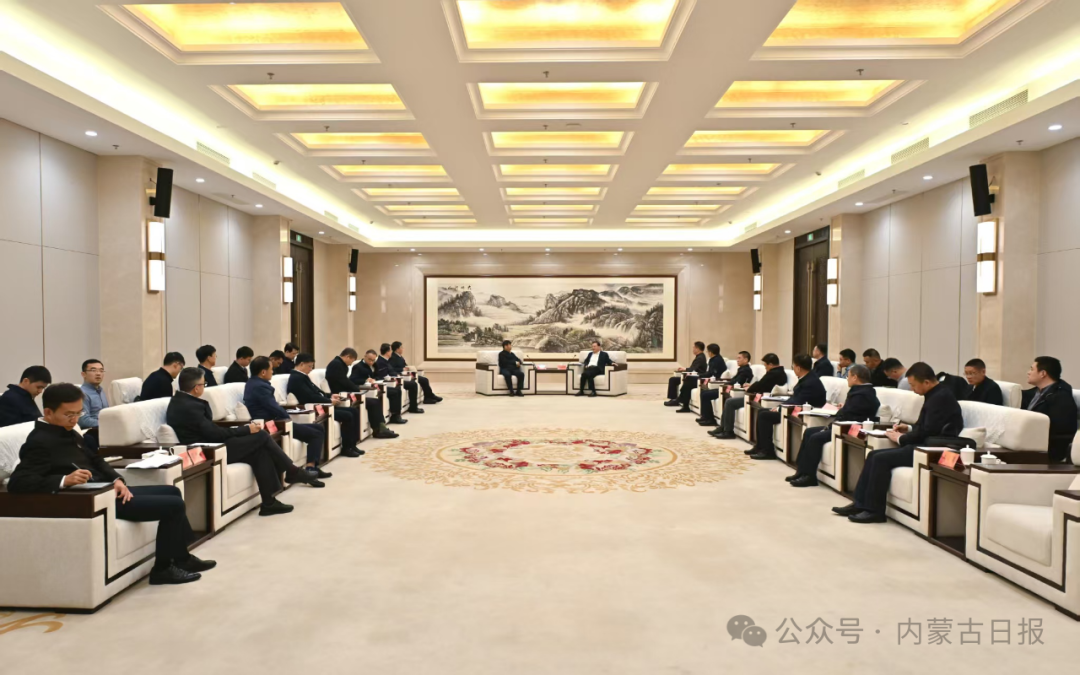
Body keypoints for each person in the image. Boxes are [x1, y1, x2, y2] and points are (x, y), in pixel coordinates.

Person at [9, 382, 215, 584]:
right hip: (94, 501)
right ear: (48, 412)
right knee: (173, 505)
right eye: (69, 414)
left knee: (172, 492)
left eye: (78, 413)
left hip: (107, 490)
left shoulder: (67, 431)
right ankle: (163, 569)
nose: (75, 419)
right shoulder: (39, 442)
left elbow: (95, 459)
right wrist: (64, 480)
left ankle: (182, 558)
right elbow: (18, 482)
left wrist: (117, 480)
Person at [168, 367, 321, 516]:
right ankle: (292, 471)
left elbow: (210, 430)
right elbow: (214, 434)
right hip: (210, 450)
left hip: (213, 444)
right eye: (204, 384)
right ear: (196, 388)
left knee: (260, 452)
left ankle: (269, 503)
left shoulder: (180, 401)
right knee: (261, 436)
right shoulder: (189, 407)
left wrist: (241, 430)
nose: (204, 387)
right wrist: (246, 430)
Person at [833, 362, 964, 524]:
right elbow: (927, 426)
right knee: (873, 455)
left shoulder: (940, 398)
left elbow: (928, 432)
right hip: (924, 443)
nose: (912, 389)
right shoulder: (935, 394)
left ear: (926, 382)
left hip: (929, 449)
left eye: (913, 385)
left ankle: (874, 511)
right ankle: (860, 504)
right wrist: (908, 428)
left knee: (880, 459)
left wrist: (901, 438)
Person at [788, 365, 880, 487]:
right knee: (809, 432)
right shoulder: (861, 391)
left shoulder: (863, 394)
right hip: (841, 424)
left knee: (815, 438)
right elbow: (851, 410)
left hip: (847, 428)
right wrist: (843, 408)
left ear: (855, 377)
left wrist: (837, 418)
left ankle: (809, 476)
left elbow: (850, 415)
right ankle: (801, 471)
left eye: (848, 376)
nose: (847, 379)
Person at [244, 356, 329, 480]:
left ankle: (313, 466)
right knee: (315, 433)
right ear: (263, 372)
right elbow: (273, 407)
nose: (273, 371)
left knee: (318, 428)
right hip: (273, 424)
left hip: (275, 420)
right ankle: (310, 469)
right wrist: (287, 418)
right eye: (271, 369)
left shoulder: (255, 383)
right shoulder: (260, 387)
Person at [748, 353, 827, 460]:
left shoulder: (810, 382)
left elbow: (798, 401)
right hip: (794, 409)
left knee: (764, 416)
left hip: (803, 412)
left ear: (798, 368)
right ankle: (760, 446)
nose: (793, 368)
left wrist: (780, 408)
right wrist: (780, 406)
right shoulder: (807, 377)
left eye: (793, 366)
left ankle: (767, 451)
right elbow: (795, 398)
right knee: (762, 411)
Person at [288, 353, 363, 457]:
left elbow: (318, 392)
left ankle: (352, 445)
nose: (311, 369)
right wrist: (329, 401)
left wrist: (331, 395)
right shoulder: (296, 378)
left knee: (353, 411)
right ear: (301, 364)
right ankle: (346, 448)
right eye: (309, 366)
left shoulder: (302, 376)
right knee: (348, 415)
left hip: (322, 403)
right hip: (316, 407)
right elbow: (310, 397)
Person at [710, 354, 788, 440]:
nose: (765, 367)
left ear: (771, 364)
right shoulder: (777, 372)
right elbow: (762, 383)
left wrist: (750, 388)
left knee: (730, 402)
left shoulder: (774, 373)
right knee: (729, 401)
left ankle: (728, 431)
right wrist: (751, 385)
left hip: (760, 398)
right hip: (757, 396)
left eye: (765, 365)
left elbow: (761, 385)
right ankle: (723, 427)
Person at [328, 349, 399, 438]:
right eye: (352, 361)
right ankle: (379, 430)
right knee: (373, 402)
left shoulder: (339, 364)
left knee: (375, 401)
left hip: (347, 392)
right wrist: (357, 389)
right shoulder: (337, 364)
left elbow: (344, 381)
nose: (351, 364)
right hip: (342, 395)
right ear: (347, 357)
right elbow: (344, 381)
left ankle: (380, 428)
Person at [1022, 356, 1078, 463]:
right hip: (1029, 441)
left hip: (1048, 450)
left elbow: (1060, 429)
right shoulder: (1032, 393)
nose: (1028, 372)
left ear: (1043, 373)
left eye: (1032, 369)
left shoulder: (1061, 397)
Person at [354, 349, 407, 424]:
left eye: (373, 360)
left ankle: (396, 414)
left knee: (397, 390)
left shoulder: (374, 365)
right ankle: (395, 416)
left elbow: (377, 376)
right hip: (367, 388)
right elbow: (353, 380)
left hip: (376, 385)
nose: (371, 362)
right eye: (369, 359)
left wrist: (376, 379)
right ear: (365, 356)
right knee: (394, 392)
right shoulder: (358, 366)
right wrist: (366, 380)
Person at [688, 344, 728, 422]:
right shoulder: (713, 359)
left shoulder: (717, 360)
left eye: (708, 351)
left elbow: (713, 374)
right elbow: (709, 372)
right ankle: (705, 416)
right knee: (703, 392)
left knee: (704, 394)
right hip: (711, 379)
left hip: (716, 382)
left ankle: (709, 418)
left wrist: (700, 375)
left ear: (711, 352)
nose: (707, 353)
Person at [380, 343, 422, 414]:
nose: (392, 352)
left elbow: (392, 371)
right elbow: (383, 375)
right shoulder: (381, 361)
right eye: (391, 351)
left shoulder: (386, 360)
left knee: (413, 383)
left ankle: (413, 407)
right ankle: (397, 414)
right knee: (411, 385)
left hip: (397, 378)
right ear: (387, 352)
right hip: (391, 382)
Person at [666, 341, 708, 406]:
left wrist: (685, 369)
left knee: (673, 380)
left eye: (694, 347)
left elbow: (693, 369)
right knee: (673, 379)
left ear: (697, 349)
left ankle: (675, 400)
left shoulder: (700, 358)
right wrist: (685, 369)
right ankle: (673, 399)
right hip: (692, 376)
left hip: (695, 378)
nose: (693, 349)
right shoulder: (699, 356)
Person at [78, 359, 108, 430]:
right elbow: (83, 421)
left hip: (104, 428)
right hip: (91, 430)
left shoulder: (100, 390)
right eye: (93, 370)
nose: (98, 373)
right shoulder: (81, 393)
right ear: (83, 374)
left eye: (101, 371)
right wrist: (107, 424)